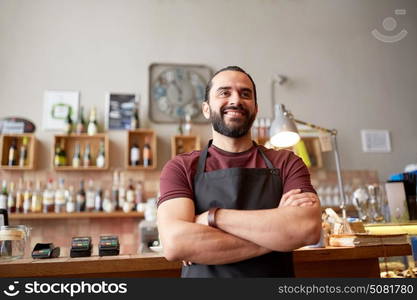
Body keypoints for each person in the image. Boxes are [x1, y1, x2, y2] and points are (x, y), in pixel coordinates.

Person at [157, 66, 321, 278]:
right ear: (206, 109)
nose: (236, 100)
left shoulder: (287, 163)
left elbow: (306, 229)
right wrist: (277, 235)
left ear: (256, 109)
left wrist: (212, 217)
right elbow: (175, 243)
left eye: (245, 94)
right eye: (224, 93)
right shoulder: (180, 167)